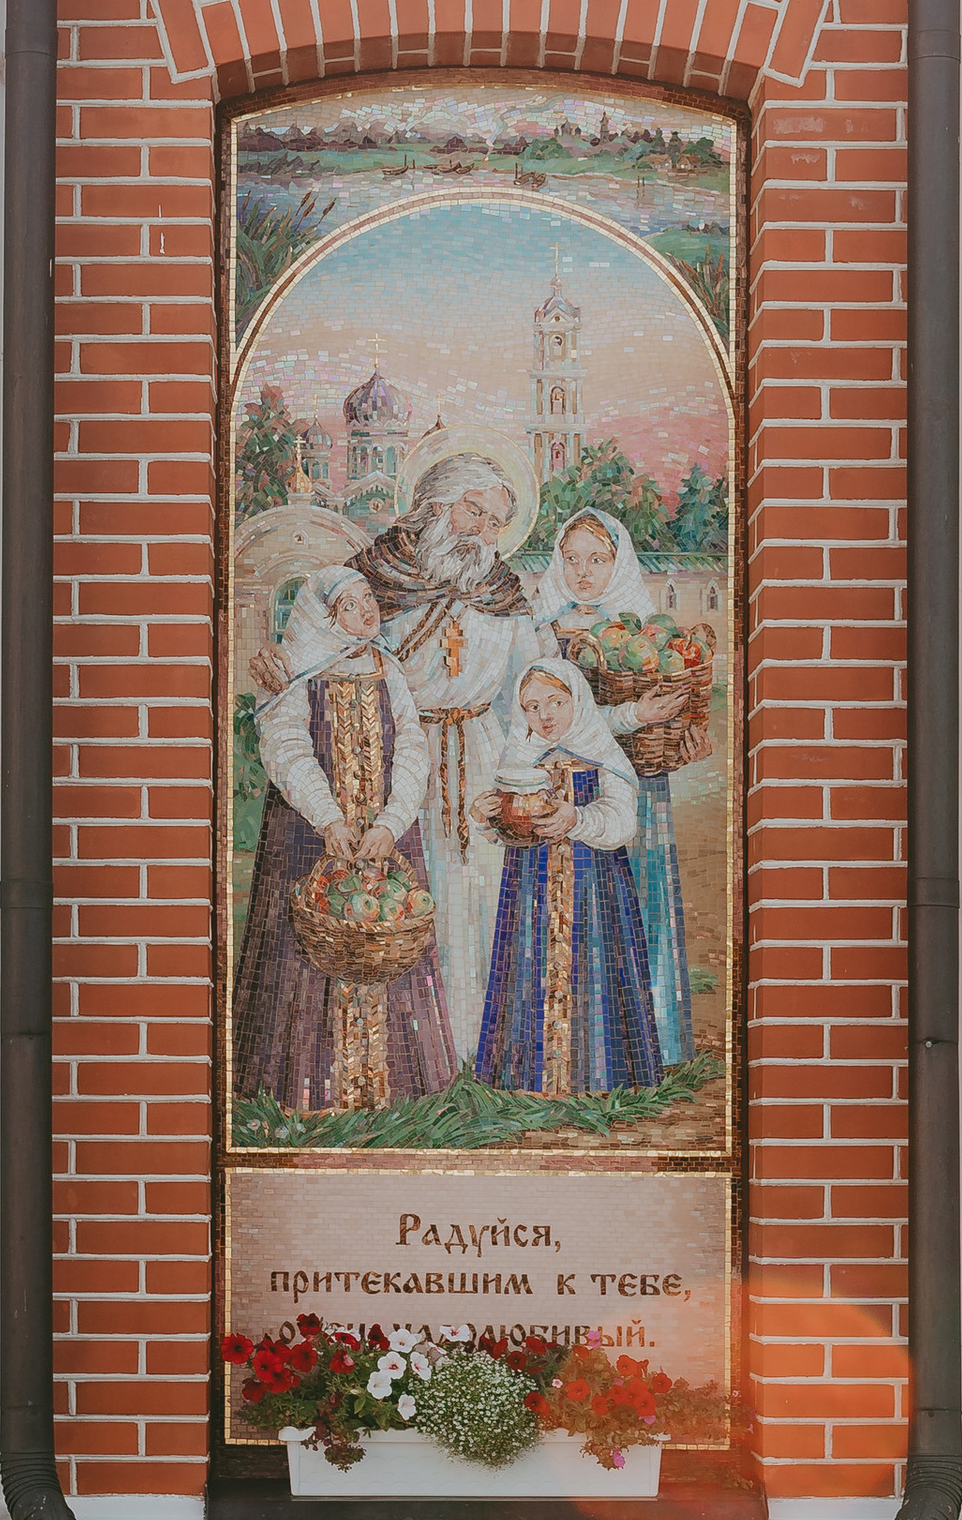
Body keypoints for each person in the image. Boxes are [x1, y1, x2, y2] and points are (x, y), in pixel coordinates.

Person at [248, 454, 546, 1050]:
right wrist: (274, 664)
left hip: (482, 753)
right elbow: (316, 653)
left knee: (480, 891)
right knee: (391, 895)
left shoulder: (506, 595)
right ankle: (412, 1051)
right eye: (474, 512)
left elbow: (532, 686)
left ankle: (481, 1048)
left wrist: (528, 768)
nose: (483, 532)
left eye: (495, 523)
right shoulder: (374, 578)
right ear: (435, 504)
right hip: (382, 762)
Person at [232, 567, 454, 1112]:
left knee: (392, 935)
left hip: (384, 837)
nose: (366, 612)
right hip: (310, 835)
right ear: (323, 617)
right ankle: (305, 1090)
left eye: (367, 600)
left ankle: (399, 1092)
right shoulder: (297, 671)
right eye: (349, 606)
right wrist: (329, 819)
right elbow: (286, 747)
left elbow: (413, 747)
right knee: (304, 941)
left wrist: (391, 822)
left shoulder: (386, 666)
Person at [530, 507, 702, 1065]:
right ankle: (576, 1043)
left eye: (597, 559)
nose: (583, 572)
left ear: (619, 561)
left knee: (642, 894)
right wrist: (633, 715)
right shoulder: (543, 630)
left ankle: (651, 1038)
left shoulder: (641, 629)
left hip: (639, 781)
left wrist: (678, 728)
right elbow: (553, 719)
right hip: (569, 789)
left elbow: (675, 705)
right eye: (571, 559)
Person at [470, 658, 663, 1096]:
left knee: (596, 966)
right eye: (533, 706)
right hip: (530, 886)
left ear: (577, 699)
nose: (546, 715)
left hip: (595, 884)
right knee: (527, 965)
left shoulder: (600, 748)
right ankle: (525, 1076)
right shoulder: (519, 754)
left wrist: (578, 818)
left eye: (556, 702)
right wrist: (486, 817)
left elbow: (622, 822)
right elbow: (507, 832)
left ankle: (599, 1077)